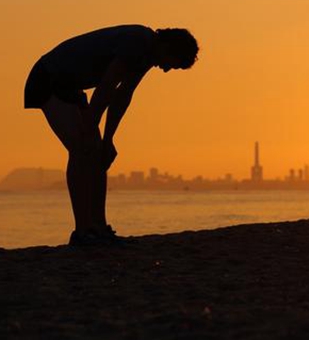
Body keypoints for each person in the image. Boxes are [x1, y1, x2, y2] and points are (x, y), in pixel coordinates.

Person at [24, 24, 199, 246]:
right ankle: (81, 232)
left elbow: (123, 96)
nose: (165, 70)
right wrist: (90, 124)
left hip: (70, 87)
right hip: (48, 79)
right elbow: (106, 87)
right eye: (171, 64)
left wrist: (108, 140)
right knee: (81, 149)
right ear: (168, 47)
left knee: (98, 153)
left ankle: (97, 227)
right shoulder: (138, 42)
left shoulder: (147, 55)